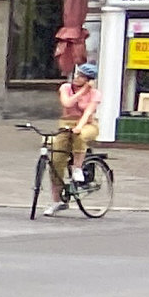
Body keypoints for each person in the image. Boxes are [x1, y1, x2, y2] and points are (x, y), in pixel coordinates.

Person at [47, 60, 102, 215]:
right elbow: (67, 103)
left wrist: (79, 126)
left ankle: (77, 168)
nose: (77, 78)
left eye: (82, 77)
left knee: (80, 135)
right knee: (56, 160)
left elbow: (88, 112)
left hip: (88, 124)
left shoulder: (95, 94)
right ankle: (57, 201)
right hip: (65, 124)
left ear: (89, 80)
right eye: (78, 75)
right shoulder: (66, 87)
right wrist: (81, 92)